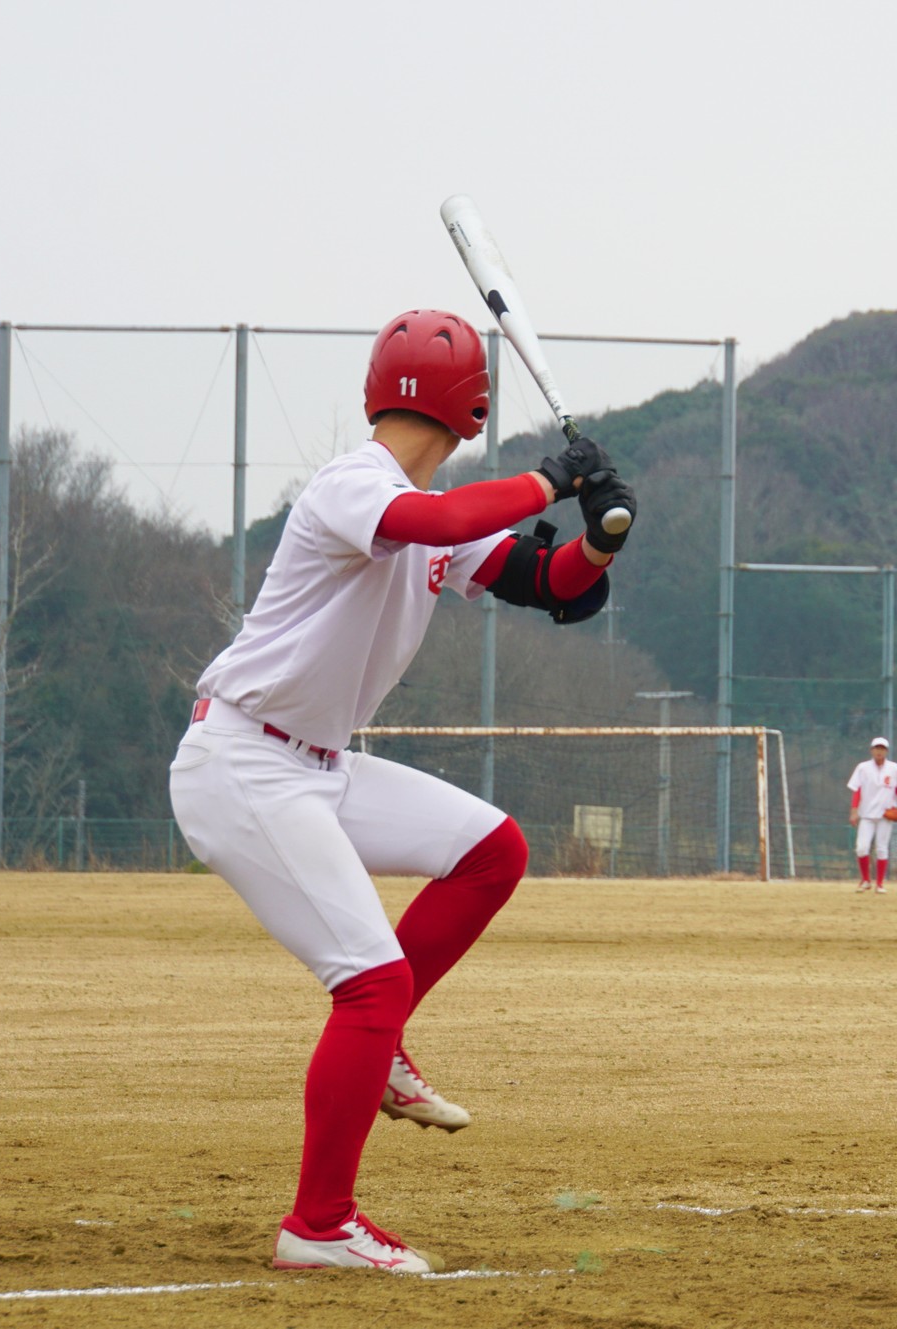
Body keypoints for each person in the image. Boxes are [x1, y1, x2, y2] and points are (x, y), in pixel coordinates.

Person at [168, 310, 637, 1275]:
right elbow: (441, 521)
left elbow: (552, 584)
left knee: (491, 849)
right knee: (371, 983)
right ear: (473, 411)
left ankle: (380, 1047)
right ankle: (318, 1224)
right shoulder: (358, 485)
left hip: (316, 764)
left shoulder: (432, 506)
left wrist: (601, 535)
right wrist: (551, 478)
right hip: (243, 760)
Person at [846, 737, 897, 892]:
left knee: (882, 849)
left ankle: (880, 884)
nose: (879, 751)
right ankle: (866, 880)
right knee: (862, 848)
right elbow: (857, 790)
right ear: (871, 750)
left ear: (886, 751)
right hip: (867, 814)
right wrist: (854, 811)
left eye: (882, 748)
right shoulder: (862, 768)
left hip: (885, 815)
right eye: (876, 748)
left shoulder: (894, 768)